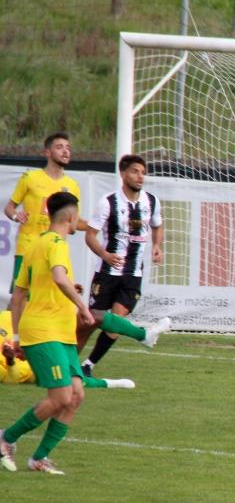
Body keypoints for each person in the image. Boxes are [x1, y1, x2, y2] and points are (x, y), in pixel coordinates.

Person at [0, 192, 96, 475]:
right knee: (61, 397)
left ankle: (38, 458)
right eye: (77, 218)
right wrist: (83, 306)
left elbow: (18, 295)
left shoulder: (36, 243)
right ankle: (6, 438)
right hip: (46, 331)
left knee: (76, 394)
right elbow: (57, 276)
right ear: (70, 218)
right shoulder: (55, 242)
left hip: (60, 332)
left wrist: (17, 338)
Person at [78, 154, 168, 376]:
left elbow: (157, 226)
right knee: (91, 320)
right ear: (123, 173)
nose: (140, 177)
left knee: (116, 321)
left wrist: (157, 245)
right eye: (135, 171)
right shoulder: (108, 202)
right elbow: (90, 235)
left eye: (143, 172)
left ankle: (88, 365)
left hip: (133, 273)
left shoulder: (151, 201)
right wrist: (105, 255)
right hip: (106, 273)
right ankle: (71, 361)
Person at [4, 133, 85, 296]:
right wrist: (15, 216)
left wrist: (96, 226)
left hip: (55, 250)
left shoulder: (72, 185)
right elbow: (9, 207)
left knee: (51, 296)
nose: (65, 151)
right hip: (28, 248)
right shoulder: (30, 178)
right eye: (60, 147)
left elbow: (74, 221)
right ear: (47, 152)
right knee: (20, 298)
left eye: (68, 148)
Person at [1, 309, 134, 388]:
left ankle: (143, 335)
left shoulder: (6, 317)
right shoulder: (22, 365)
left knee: (92, 317)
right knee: (73, 383)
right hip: (44, 362)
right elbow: (12, 381)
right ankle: (110, 383)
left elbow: (25, 313)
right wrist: (10, 360)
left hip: (47, 335)